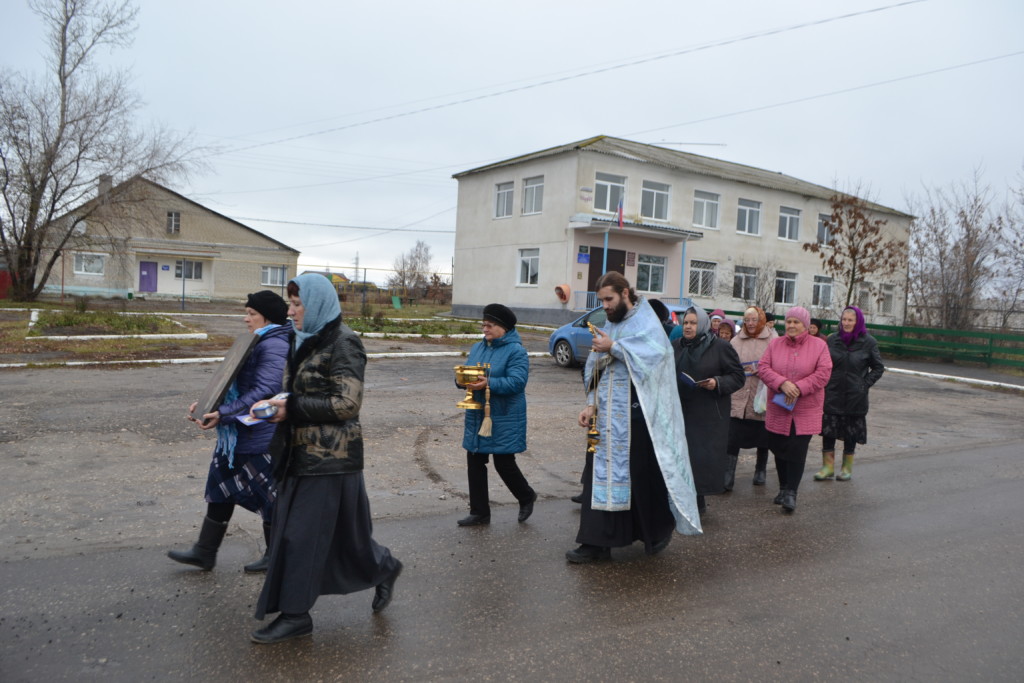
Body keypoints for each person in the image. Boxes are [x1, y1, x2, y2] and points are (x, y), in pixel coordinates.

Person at [250, 273, 402, 644]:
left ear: (317, 304)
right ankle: (383, 567)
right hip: (299, 454)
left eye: (298, 304)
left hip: (330, 457)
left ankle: (296, 615)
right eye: (291, 304)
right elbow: (293, 391)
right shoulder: (302, 339)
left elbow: (346, 403)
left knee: (299, 537)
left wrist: (292, 407)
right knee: (341, 538)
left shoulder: (345, 343)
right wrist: (270, 404)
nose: (291, 311)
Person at [568, 272, 701, 563]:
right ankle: (597, 543)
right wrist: (590, 404)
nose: (605, 306)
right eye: (602, 300)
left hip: (638, 418)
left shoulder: (645, 321)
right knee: (598, 478)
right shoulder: (612, 324)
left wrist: (614, 348)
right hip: (605, 420)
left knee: (640, 480)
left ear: (626, 293)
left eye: (609, 299)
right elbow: (595, 365)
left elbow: (657, 357)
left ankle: (656, 531)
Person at [168, 291, 290, 573]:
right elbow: (233, 382)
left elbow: (265, 391)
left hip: (259, 434)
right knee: (220, 488)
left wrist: (223, 413)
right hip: (236, 436)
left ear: (267, 317)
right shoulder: (258, 340)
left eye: (251, 314)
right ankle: (205, 551)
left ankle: (275, 556)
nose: (245, 318)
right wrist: (211, 404)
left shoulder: (274, 345)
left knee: (269, 497)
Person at [457, 303, 537, 526]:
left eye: (490, 325)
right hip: (478, 414)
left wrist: (488, 383)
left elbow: (517, 382)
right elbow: (468, 371)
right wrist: (460, 380)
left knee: (504, 462)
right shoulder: (478, 347)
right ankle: (479, 512)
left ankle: (526, 496)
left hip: (504, 415)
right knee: (475, 459)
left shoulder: (516, 351)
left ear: (503, 328)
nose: (485, 329)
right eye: (483, 325)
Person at [757, 306, 832, 513]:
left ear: (805, 325)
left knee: (797, 448)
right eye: (789, 321)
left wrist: (799, 387)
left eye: (796, 322)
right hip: (779, 406)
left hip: (805, 408)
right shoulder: (775, 344)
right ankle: (782, 488)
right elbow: (763, 368)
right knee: (779, 446)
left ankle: (791, 492)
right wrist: (781, 383)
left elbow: (824, 373)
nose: (791, 325)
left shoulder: (819, 346)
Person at [673, 307, 745, 515]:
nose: (688, 326)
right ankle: (680, 499)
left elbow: (738, 376)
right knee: (681, 456)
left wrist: (717, 382)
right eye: (686, 322)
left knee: (700, 458)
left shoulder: (720, 347)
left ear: (702, 325)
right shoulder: (676, 346)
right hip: (681, 409)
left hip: (707, 413)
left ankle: (698, 502)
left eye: (693, 323)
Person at [815, 306, 885, 481]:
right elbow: (822, 363)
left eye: (850, 320)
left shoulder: (869, 342)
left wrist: (864, 384)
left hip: (855, 396)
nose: (846, 323)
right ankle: (827, 467)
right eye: (844, 320)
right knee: (829, 430)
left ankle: (846, 469)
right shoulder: (832, 340)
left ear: (858, 322)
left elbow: (878, 367)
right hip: (832, 392)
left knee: (851, 432)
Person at [726, 306, 775, 488]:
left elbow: (778, 365)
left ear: (761, 319)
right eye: (747, 320)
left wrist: (763, 371)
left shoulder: (773, 340)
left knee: (763, 435)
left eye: (754, 319)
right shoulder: (736, 341)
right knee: (733, 436)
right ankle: (728, 473)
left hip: (761, 394)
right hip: (739, 394)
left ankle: (760, 470)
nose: (751, 323)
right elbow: (728, 364)